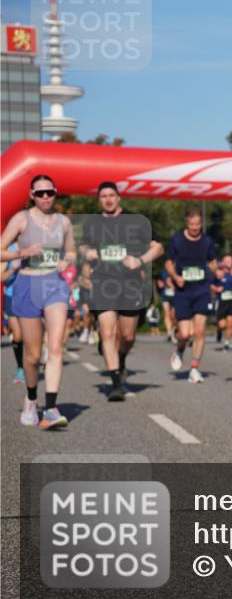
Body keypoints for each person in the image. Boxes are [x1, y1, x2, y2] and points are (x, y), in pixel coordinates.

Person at [0, 174, 79, 428]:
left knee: (55, 347)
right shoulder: (21, 219)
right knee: (33, 356)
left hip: (54, 285)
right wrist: (23, 252)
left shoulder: (64, 222)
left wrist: (66, 261)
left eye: (49, 192)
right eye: (40, 193)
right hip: (27, 284)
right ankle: (32, 398)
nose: (45, 197)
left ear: (55, 192)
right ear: (31, 195)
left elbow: (71, 251)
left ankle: (52, 408)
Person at [79, 182, 163, 401]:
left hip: (130, 284)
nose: (108, 199)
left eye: (111, 195)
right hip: (103, 281)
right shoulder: (92, 223)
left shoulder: (136, 221)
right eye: (103, 196)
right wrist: (87, 252)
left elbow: (158, 247)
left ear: (119, 198)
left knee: (127, 335)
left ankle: (122, 358)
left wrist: (140, 261)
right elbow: (82, 245)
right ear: (99, 200)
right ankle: (116, 384)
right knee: (107, 333)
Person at [165, 207, 217, 383]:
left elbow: (212, 261)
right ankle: (180, 349)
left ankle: (194, 369)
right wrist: (175, 277)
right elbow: (168, 263)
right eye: (192, 224)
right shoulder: (177, 240)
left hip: (202, 289)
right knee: (185, 334)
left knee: (199, 331)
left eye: (198, 225)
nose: (195, 228)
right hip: (183, 291)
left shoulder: (207, 241)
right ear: (186, 223)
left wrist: (214, 269)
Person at [3, 244, 26, 384]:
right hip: (11, 296)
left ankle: (32, 362)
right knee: (17, 335)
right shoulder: (8, 250)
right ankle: (20, 368)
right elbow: (1, 277)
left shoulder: (34, 245)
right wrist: (13, 268)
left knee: (31, 335)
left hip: (30, 296)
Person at [211, 264, 232, 350]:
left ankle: (227, 343)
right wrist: (216, 289)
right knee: (222, 325)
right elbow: (210, 285)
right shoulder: (215, 279)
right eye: (216, 272)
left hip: (231, 303)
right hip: (221, 303)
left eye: (219, 272)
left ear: (223, 271)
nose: (217, 274)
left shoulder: (231, 278)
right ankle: (219, 331)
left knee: (230, 323)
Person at [156, 268, 178, 342]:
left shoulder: (178, 269)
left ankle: (173, 330)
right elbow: (160, 282)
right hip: (165, 296)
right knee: (167, 314)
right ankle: (169, 332)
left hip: (176, 296)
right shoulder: (163, 271)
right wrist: (159, 283)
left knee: (174, 316)